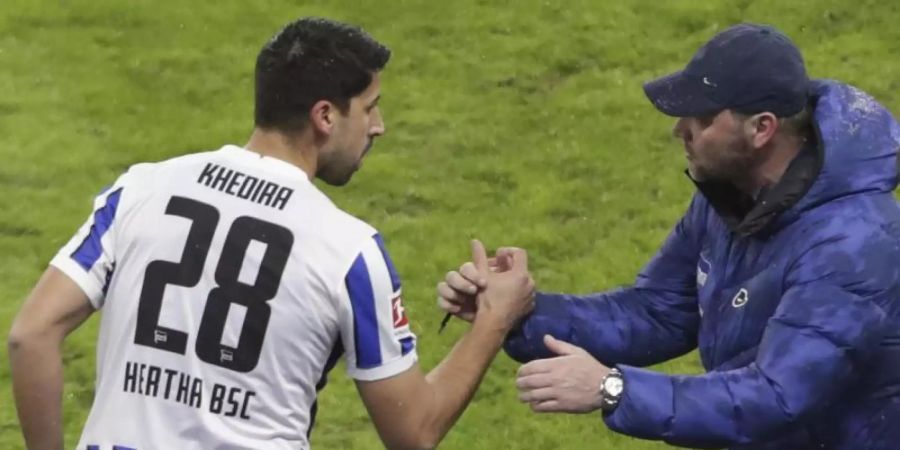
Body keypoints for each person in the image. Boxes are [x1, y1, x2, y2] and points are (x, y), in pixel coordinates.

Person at [8, 17, 535, 450]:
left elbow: (30, 335)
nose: (379, 127)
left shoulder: (141, 190)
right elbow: (414, 431)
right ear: (325, 116)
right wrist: (494, 319)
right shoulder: (347, 250)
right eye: (370, 108)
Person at [438, 23, 900, 449]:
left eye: (700, 119)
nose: (680, 130)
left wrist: (612, 388)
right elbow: (657, 312)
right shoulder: (733, 196)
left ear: (762, 128)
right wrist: (515, 312)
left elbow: (776, 396)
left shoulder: (852, 245)